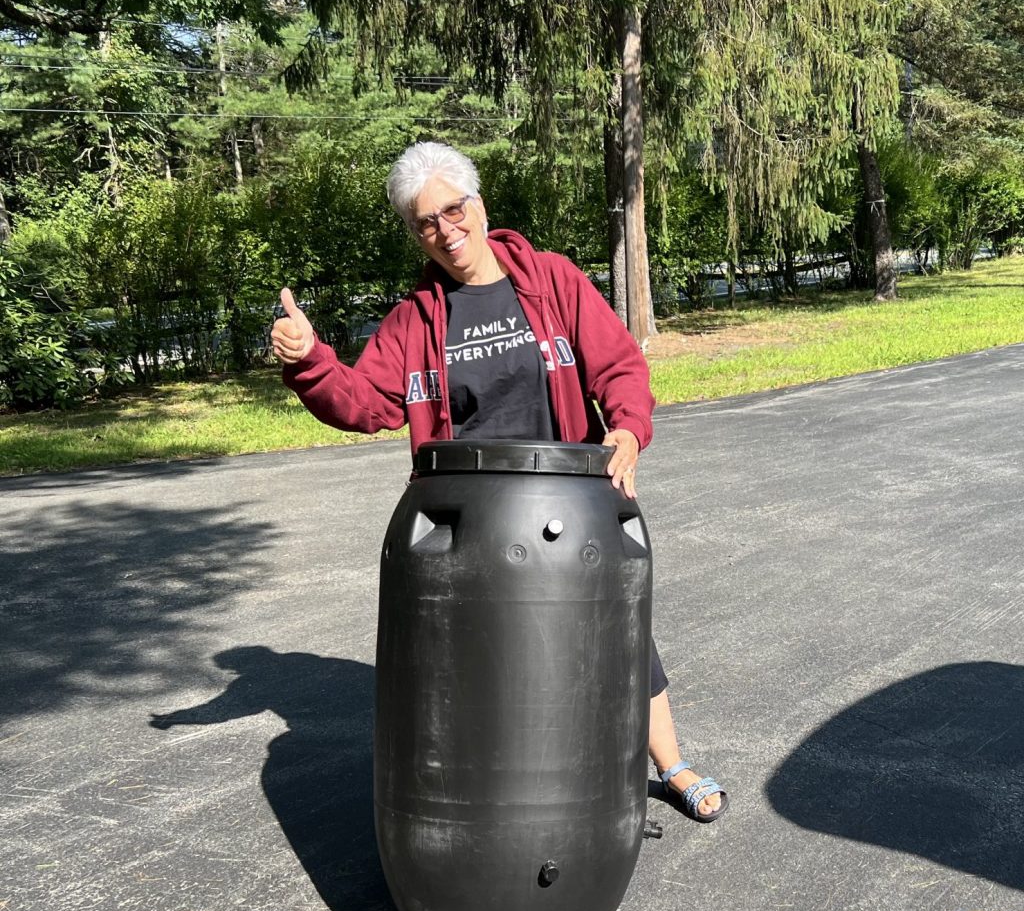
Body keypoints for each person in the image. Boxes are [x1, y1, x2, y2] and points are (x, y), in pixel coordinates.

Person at [271, 141, 728, 822]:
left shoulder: (552, 281)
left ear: (477, 204)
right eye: (424, 222)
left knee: (616, 631)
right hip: (470, 519)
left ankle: (671, 763)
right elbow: (363, 402)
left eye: (452, 209)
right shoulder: (413, 321)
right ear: (413, 232)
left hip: (569, 496)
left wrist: (627, 428)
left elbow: (620, 366)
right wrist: (311, 360)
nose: (444, 230)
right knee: (487, 665)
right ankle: (508, 797)